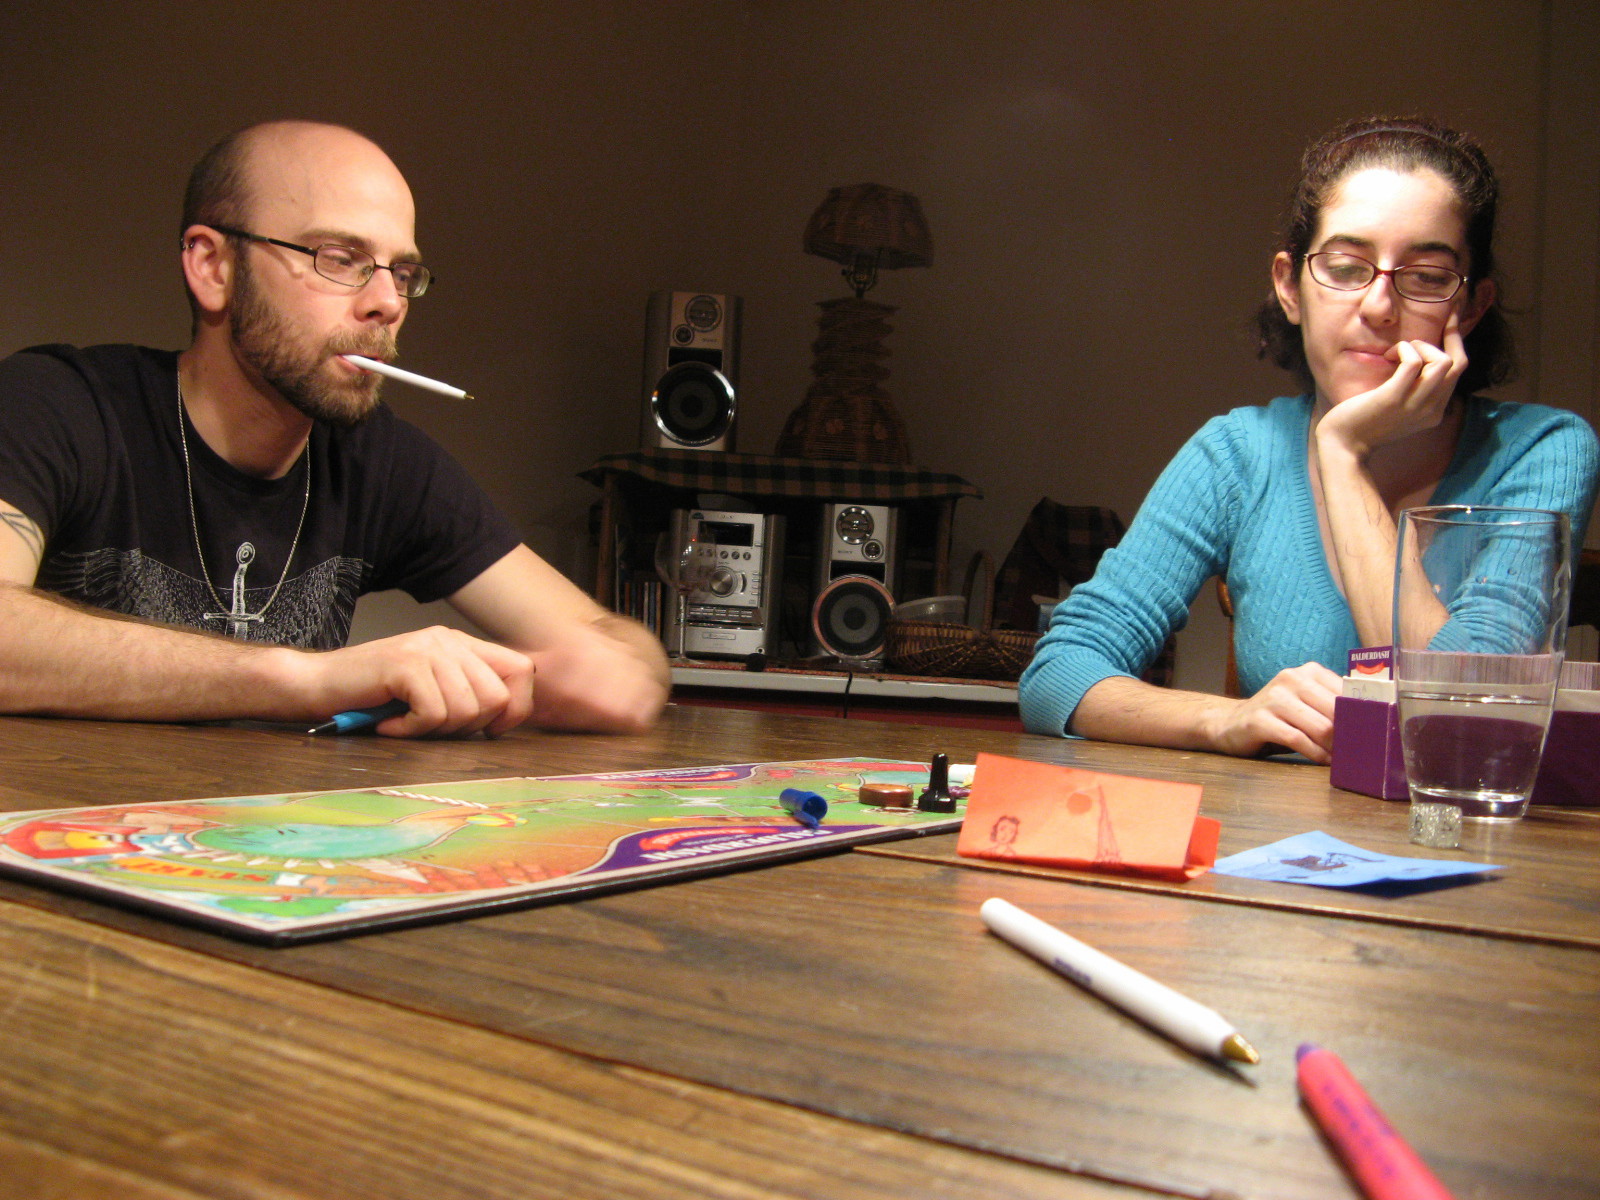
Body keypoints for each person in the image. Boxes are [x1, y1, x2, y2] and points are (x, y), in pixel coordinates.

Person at [0, 120, 669, 738]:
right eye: (338, 257)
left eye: (401, 273)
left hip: (265, 856)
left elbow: (612, 647)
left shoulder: (378, 460)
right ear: (212, 267)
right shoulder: (60, 405)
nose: (386, 303)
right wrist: (309, 679)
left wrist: (609, 670)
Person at [1020, 115, 1599, 763]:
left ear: (1471, 306)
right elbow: (1056, 677)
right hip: (1274, 848)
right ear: (1290, 288)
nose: (1380, 306)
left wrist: (1343, 454)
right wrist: (1228, 720)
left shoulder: (1542, 448)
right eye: (1348, 267)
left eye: (1428, 276)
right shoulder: (1238, 452)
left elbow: (1460, 724)